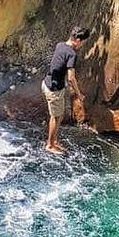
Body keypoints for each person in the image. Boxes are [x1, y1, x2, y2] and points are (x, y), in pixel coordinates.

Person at [42, 26, 91, 154]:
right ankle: (50, 145)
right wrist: (79, 94)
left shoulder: (60, 45)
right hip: (54, 90)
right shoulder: (72, 54)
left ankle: (54, 141)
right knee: (56, 117)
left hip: (49, 84)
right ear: (78, 40)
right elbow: (71, 78)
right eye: (83, 42)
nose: (82, 45)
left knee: (59, 115)